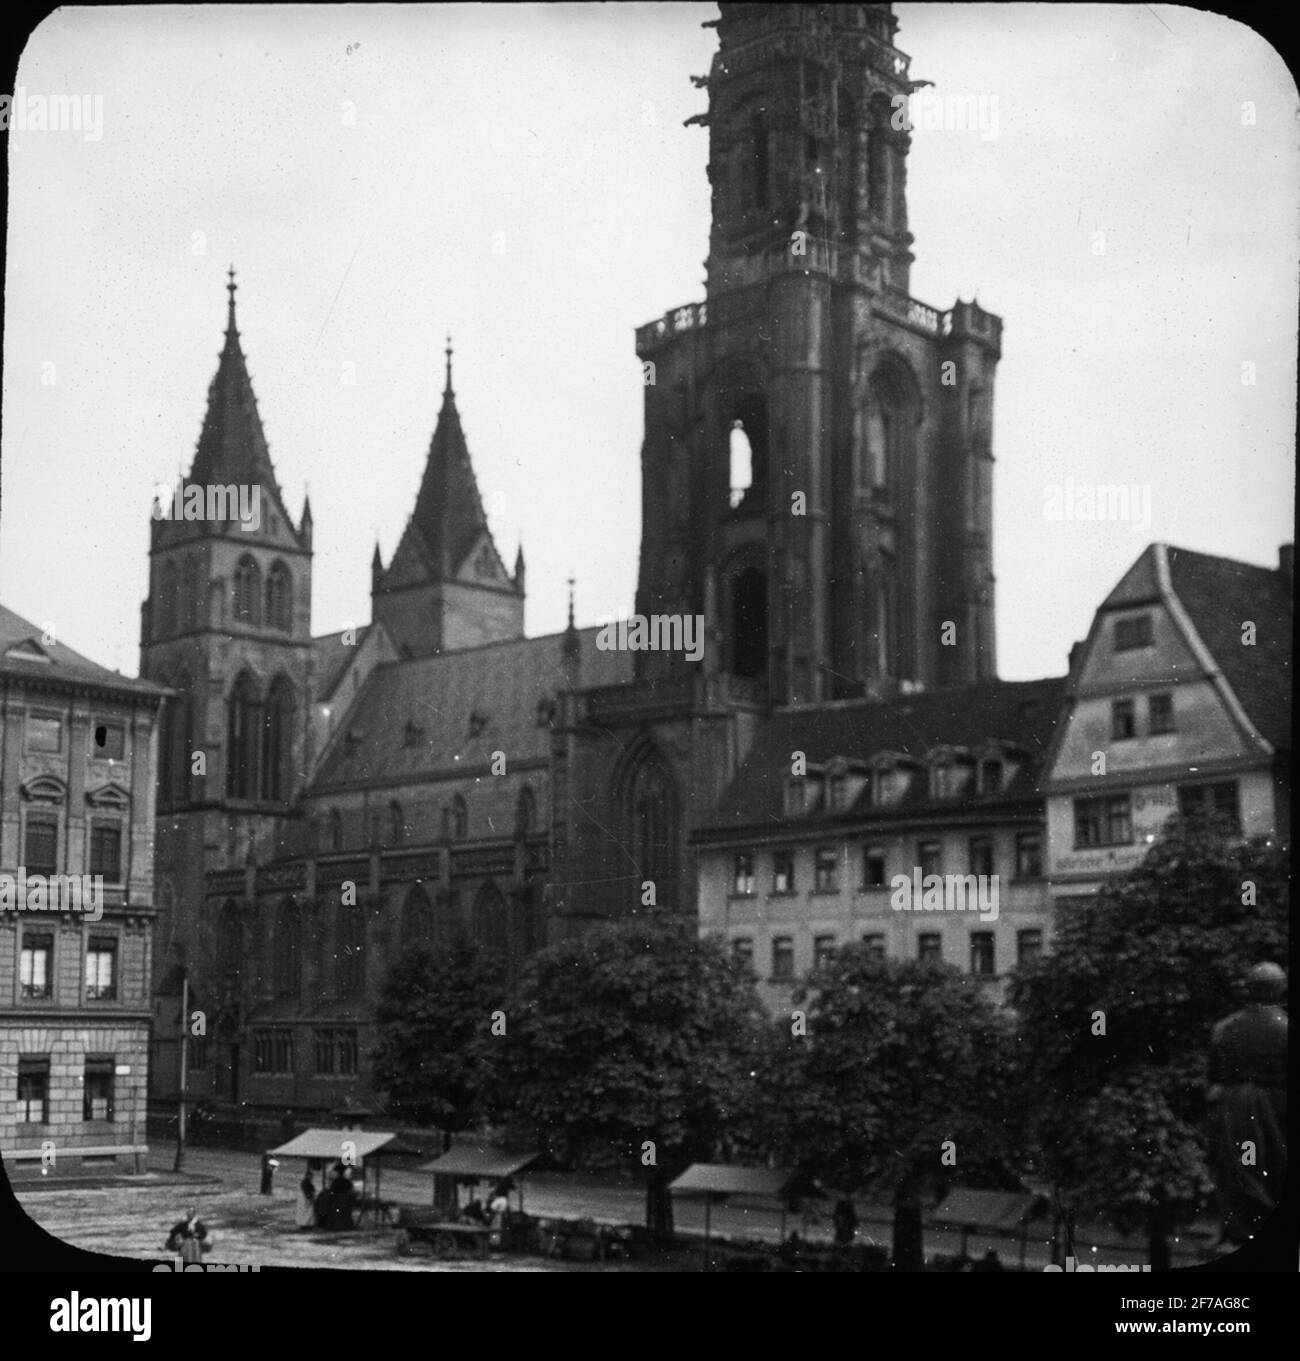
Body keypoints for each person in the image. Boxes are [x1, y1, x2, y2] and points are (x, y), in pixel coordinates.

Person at [1206, 962, 1288, 1246]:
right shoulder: (1286, 1029)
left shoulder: (1224, 1029)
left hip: (1234, 1114)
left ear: (1248, 990)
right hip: (1278, 1116)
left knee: (1240, 1173)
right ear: (1281, 988)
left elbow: (1213, 1081)